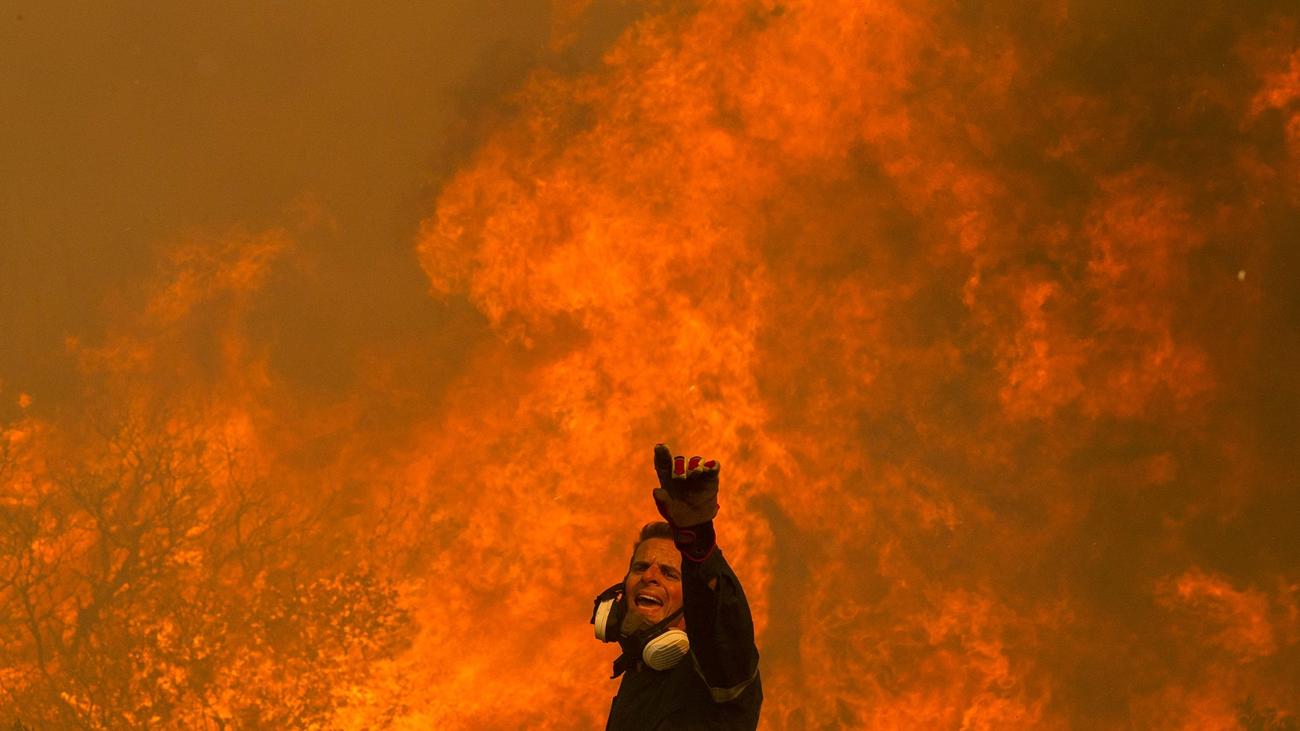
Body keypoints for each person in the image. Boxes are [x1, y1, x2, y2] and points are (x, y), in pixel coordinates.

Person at [592, 444, 762, 730]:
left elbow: (720, 620)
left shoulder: (718, 671)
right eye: (640, 567)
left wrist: (697, 539)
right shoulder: (634, 683)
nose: (650, 576)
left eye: (669, 573)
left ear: (690, 610)